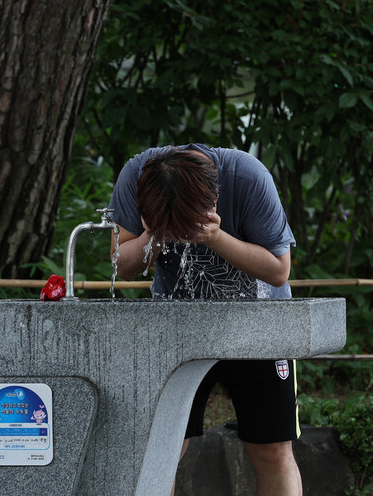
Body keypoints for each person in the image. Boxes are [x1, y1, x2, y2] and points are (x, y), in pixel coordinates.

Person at [108, 144, 301, 496]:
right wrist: (154, 236)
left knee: (273, 449)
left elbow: (278, 269)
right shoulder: (136, 175)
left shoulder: (247, 177)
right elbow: (121, 263)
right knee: (159, 452)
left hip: (259, 328)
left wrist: (215, 237)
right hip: (176, 333)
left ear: (214, 197)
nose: (182, 236)